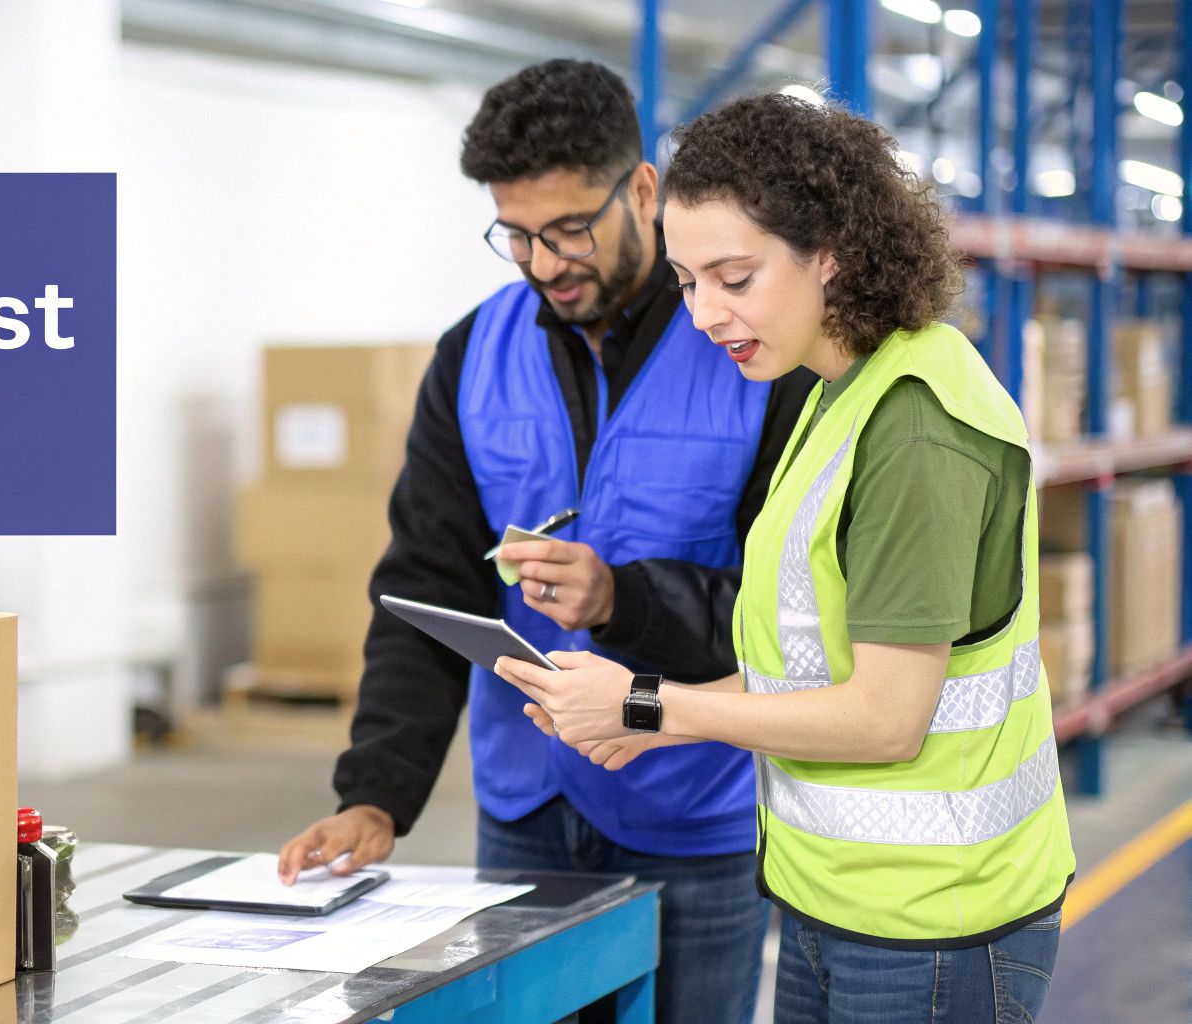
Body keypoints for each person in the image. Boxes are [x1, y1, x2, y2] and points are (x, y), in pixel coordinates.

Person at [496, 92, 1075, 1024]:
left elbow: (887, 719)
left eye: (734, 276)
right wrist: (639, 719)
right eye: (686, 281)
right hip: (831, 900)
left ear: (831, 253)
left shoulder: (915, 426)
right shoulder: (833, 392)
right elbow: (802, 672)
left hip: (933, 925)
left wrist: (648, 703)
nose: (702, 314)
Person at [276, 60, 816, 1024]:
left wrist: (624, 600)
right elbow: (425, 588)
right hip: (525, 813)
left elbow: (794, 623)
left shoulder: (753, 351)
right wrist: (376, 796)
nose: (543, 260)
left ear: (642, 192)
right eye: (516, 234)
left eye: (569, 228)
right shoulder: (472, 356)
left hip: (690, 814)